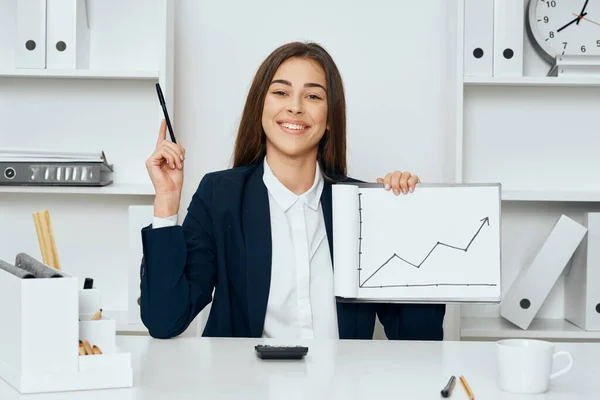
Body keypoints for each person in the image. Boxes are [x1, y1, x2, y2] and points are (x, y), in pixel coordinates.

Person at [140, 41, 445, 340]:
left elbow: (419, 337)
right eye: (281, 92)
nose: (295, 107)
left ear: (329, 119)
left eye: (312, 96)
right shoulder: (220, 195)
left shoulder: (362, 204)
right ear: (261, 106)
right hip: (247, 387)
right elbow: (166, 320)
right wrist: (166, 201)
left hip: (342, 387)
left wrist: (407, 223)